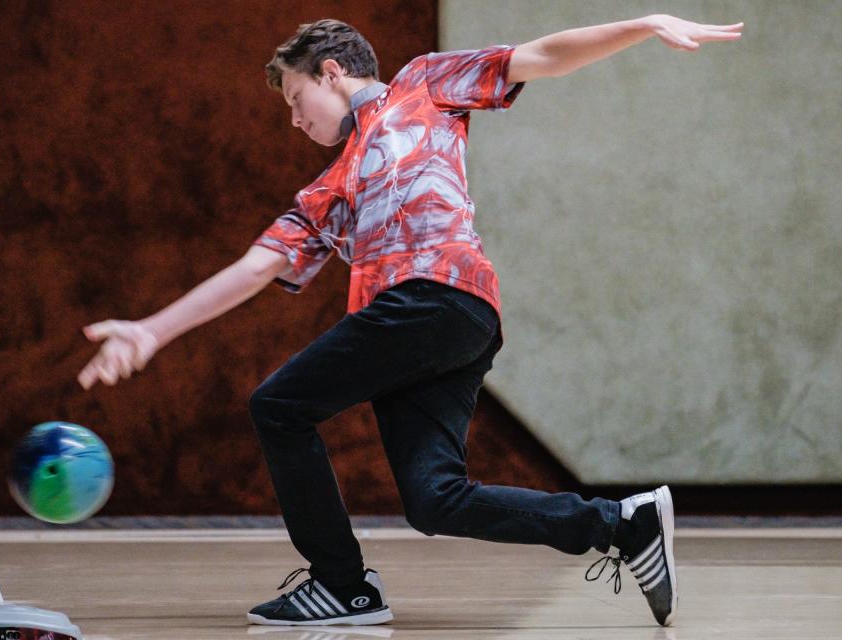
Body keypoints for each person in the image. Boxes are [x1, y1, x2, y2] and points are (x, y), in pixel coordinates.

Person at [78, 14, 743, 627]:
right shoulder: (331, 184)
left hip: (436, 298)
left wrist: (646, 23)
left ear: (331, 72)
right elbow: (257, 266)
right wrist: (150, 330)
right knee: (434, 501)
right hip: (442, 326)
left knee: (278, 407)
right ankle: (623, 525)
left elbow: (542, 55)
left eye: (293, 99)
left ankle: (340, 584)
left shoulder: (424, 83)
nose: (293, 120)